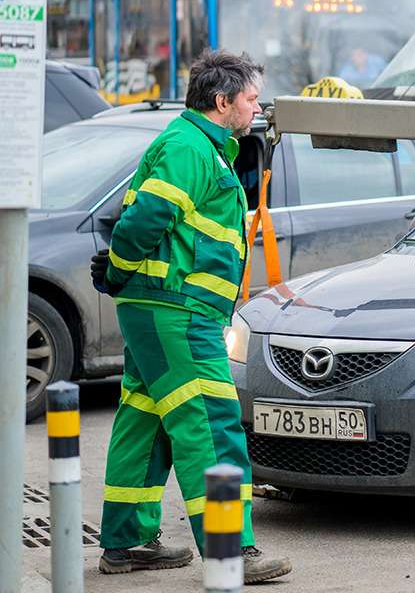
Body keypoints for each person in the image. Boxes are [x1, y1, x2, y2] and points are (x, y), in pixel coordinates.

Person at [89, 48, 292, 582]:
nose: (256, 109)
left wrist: (121, 274)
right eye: (250, 99)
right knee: (211, 421)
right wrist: (119, 268)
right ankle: (230, 550)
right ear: (222, 101)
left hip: (164, 309)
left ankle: (128, 542)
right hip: (179, 312)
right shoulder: (190, 148)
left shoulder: (200, 146)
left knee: (148, 420)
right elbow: (142, 223)